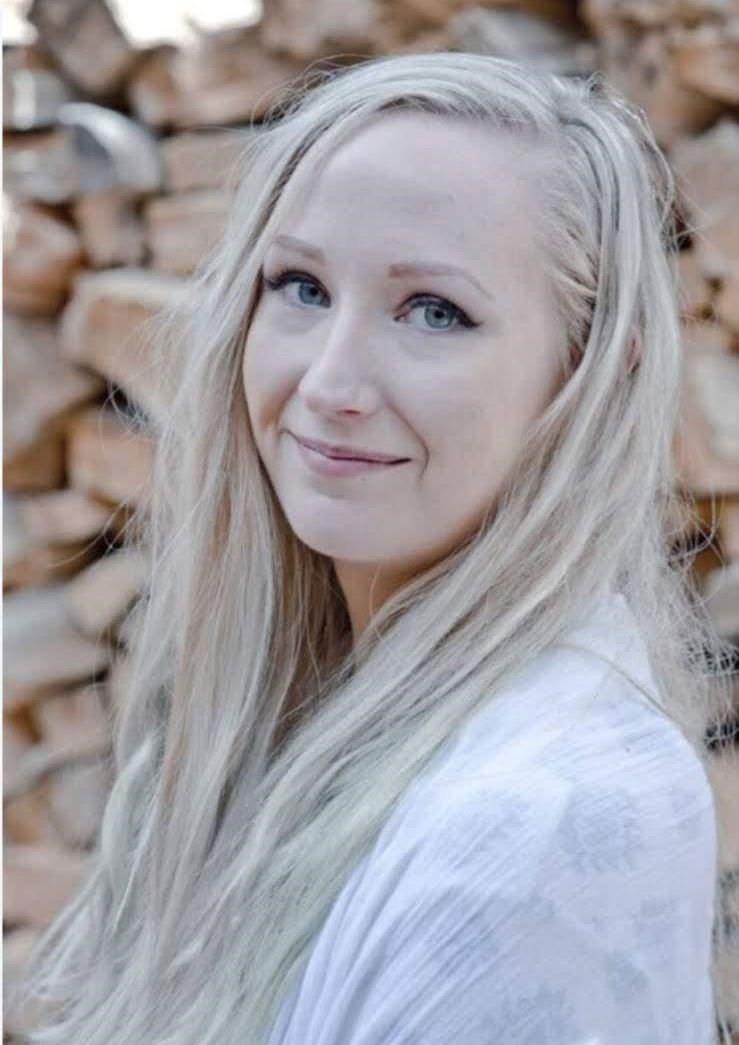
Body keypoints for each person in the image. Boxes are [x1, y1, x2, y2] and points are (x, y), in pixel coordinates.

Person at [16, 51, 737, 1045]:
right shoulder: (284, 714)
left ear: (588, 378)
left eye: (433, 311)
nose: (327, 382)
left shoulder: (545, 817)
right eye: (300, 286)